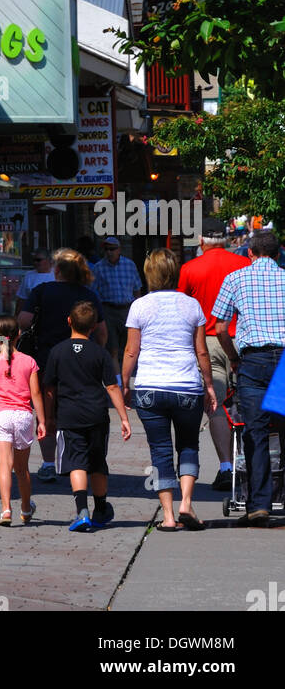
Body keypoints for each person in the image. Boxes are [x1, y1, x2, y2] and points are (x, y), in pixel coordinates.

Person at [122, 248, 216, 531]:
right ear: (175, 273)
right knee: (188, 444)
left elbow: (131, 350)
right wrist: (209, 385)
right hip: (187, 386)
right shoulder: (192, 305)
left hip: (150, 386)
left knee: (160, 450)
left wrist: (124, 382)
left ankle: (168, 516)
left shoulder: (139, 306)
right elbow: (201, 352)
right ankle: (186, 503)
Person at [213, 229, 285, 526]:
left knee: (254, 433)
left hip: (253, 362)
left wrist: (232, 357)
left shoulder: (236, 279)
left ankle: (259, 505)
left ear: (250, 253)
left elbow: (218, 327)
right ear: (278, 254)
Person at [18, 248, 107, 482]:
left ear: (57, 270)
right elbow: (102, 332)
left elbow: (24, 321)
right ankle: (77, 461)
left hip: (45, 360)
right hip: (81, 364)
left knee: (46, 414)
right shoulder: (88, 295)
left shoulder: (42, 291)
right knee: (77, 411)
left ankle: (48, 463)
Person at [41, 301, 131, 532]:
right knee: (98, 463)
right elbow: (111, 387)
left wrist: (47, 417)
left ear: (69, 322)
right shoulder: (100, 353)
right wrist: (123, 417)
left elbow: (49, 389)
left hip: (69, 416)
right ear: (93, 327)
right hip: (97, 415)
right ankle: (101, 508)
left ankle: (82, 511)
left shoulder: (57, 352)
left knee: (76, 462)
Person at [178, 228, 249, 490]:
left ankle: (226, 467)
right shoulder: (244, 263)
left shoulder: (190, 268)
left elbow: (183, 307)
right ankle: (250, 464)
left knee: (215, 402)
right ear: (228, 241)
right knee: (249, 403)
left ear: (201, 242)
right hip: (241, 339)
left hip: (206, 342)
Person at [0, 315, 46, 525]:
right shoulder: (29, 362)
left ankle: (6, 509)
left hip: (1, 414)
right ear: (18, 335)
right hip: (23, 416)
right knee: (22, 468)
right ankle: (26, 509)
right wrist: (42, 420)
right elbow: (36, 393)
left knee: (4, 465)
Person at [91, 238, 143, 385]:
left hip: (128, 309)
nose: (109, 252)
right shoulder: (98, 267)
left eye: (112, 249)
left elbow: (137, 288)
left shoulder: (129, 265)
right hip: (108, 309)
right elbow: (94, 293)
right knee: (112, 348)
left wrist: (138, 309)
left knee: (130, 347)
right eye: (106, 249)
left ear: (119, 250)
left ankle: (128, 378)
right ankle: (119, 383)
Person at [13, 249, 55, 316]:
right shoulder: (28, 275)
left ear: (48, 260)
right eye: (34, 260)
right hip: (33, 316)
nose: (35, 263)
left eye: (38, 260)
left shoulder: (57, 274)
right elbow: (22, 299)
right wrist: (16, 317)